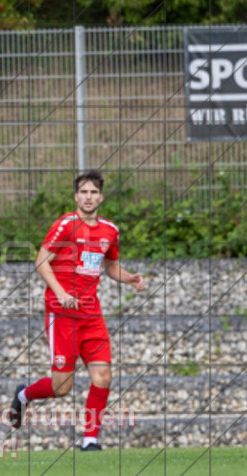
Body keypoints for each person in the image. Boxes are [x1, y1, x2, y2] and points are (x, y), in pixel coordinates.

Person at [9, 169, 147, 451]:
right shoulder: (65, 225)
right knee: (62, 387)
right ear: (76, 196)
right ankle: (23, 395)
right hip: (62, 315)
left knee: (103, 376)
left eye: (93, 192)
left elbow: (110, 266)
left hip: (91, 315)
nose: (88, 197)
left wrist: (129, 277)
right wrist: (60, 293)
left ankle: (90, 439)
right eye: (83, 192)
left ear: (101, 197)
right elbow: (41, 261)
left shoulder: (110, 230)